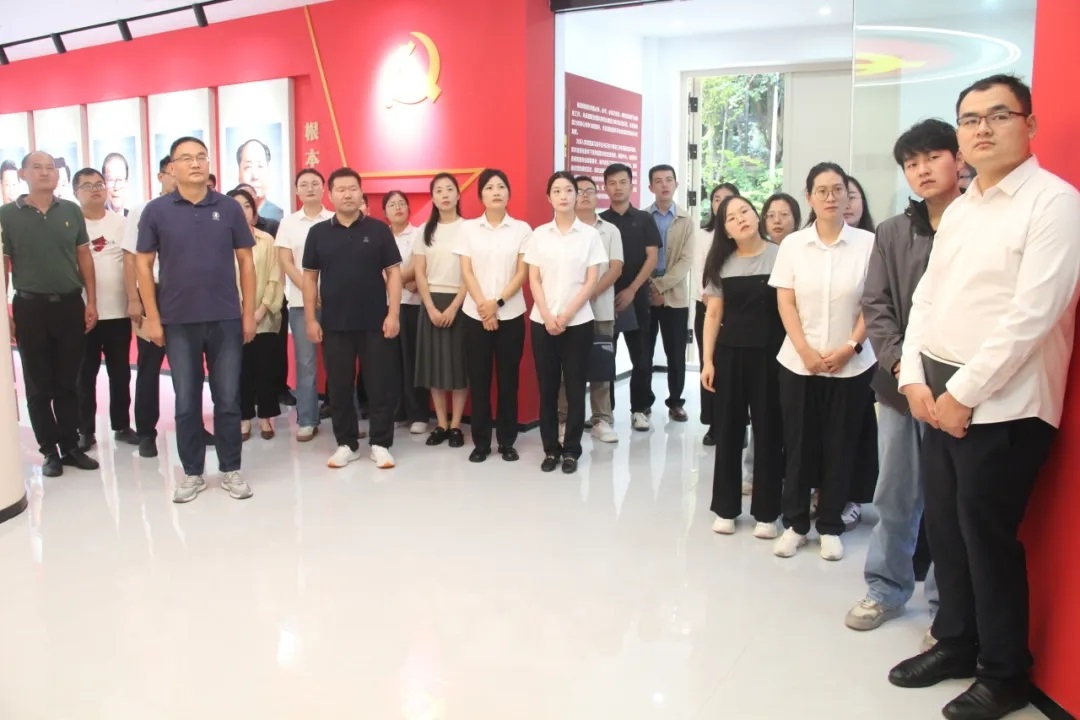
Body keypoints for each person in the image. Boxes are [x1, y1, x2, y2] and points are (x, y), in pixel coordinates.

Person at [888, 74, 1080, 720]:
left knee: (986, 536)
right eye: (970, 119)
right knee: (944, 528)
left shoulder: (1054, 203)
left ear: (1030, 124)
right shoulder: (965, 205)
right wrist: (913, 377)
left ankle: (1004, 673)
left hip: (1007, 403)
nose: (983, 129)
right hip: (937, 390)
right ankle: (956, 641)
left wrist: (964, 393)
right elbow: (927, 297)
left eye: (998, 115)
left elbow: (1034, 315)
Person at [846, 119, 960, 635]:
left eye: (932, 157)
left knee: (949, 503)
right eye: (912, 163)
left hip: (959, 391)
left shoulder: (977, 225)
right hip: (898, 389)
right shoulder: (893, 231)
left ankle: (946, 606)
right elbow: (877, 304)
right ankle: (885, 589)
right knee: (895, 494)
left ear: (957, 159)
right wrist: (899, 367)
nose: (922, 170)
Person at [136, 136, 256, 503]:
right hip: (178, 321)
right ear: (171, 168)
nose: (195, 163)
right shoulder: (156, 210)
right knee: (186, 401)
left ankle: (231, 469)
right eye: (186, 158)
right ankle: (192, 473)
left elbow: (246, 261)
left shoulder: (229, 208)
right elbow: (143, 263)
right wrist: (152, 317)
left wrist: (248, 314)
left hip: (225, 318)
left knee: (228, 399)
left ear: (209, 163)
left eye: (201, 157)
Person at [769, 162, 876, 562]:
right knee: (798, 444)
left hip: (851, 365)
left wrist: (850, 346)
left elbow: (874, 302)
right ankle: (796, 524)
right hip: (799, 364)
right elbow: (785, 300)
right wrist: (805, 350)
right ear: (809, 197)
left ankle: (830, 525)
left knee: (841, 445)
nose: (831, 197)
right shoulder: (794, 244)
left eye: (838, 189)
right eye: (822, 191)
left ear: (849, 195)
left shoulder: (868, 243)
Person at [1, 151, 100, 478]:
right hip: (30, 308)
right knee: (39, 385)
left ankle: (70, 446)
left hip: (70, 305)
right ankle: (49, 451)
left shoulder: (70, 210)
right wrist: (5, 313)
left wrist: (91, 301)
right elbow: (3, 266)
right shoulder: (7, 215)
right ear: (24, 174)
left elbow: (84, 257)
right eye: (37, 168)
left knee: (69, 381)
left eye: (50, 168)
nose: (45, 173)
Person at [303, 168, 402, 470]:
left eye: (352, 189)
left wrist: (393, 314)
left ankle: (381, 444)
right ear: (330, 195)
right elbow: (310, 278)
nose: (347, 194)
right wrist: (311, 319)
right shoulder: (318, 233)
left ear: (361, 193)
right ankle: (346, 443)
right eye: (341, 189)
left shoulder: (379, 230)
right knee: (339, 388)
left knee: (379, 385)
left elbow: (394, 273)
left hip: (375, 322)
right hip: (335, 324)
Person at [699, 196, 784, 539]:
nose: (741, 219)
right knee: (729, 432)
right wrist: (707, 360)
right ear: (726, 230)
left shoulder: (781, 255)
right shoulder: (720, 262)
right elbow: (713, 315)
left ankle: (767, 513)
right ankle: (726, 509)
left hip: (771, 356)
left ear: (756, 214)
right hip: (730, 355)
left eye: (744, 211)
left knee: (769, 433)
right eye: (731, 218)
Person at [122, 155, 215, 457]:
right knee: (149, 366)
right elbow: (131, 258)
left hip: (189, 295)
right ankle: (146, 433)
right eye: (172, 172)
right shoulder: (145, 210)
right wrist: (134, 299)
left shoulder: (199, 209)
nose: (178, 177)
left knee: (190, 368)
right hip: (153, 292)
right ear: (161, 175)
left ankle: (195, 428)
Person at [525, 171, 606, 474]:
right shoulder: (539, 234)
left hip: (578, 322)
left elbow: (591, 280)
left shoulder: (589, 235)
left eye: (569, 190)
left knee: (574, 387)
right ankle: (550, 449)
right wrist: (547, 315)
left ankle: (571, 449)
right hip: (542, 322)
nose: (563, 196)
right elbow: (534, 278)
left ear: (577, 195)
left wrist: (567, 314)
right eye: (557, 191)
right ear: (549, 197)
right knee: (547, 388)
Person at [456, 169, 531, 463]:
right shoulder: (468, 229)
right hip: (474, 316)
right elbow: (466, 271)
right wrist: (483, 307)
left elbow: (522, 273)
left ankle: (507, 441)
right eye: (489, 187)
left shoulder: (522, 229)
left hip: (510, 315)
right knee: (479, 381)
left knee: (509, 381)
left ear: (508, 193)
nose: (496, 191)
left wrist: (496, 304)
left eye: (501, 186)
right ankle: (481, 442)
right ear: (481, 196)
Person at [72, 167, 137, 452]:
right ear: (76, 192)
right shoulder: (71, 223)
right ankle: (85, 431)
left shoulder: (121, 223)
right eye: (87, 186)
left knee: (120, 373)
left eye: (99, 184)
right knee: (84, 375)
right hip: (84, 313)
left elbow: (132, 263)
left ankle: (121, 425)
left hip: (118, 312)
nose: (96, 189)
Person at [557, 175, 623, 444]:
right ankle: (564, 418)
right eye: (579, 190)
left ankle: (601, 419)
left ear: (598, 196)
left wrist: (588, 294)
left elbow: (615, 268)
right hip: (567, 312)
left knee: (600, 367)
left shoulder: (610, 230)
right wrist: (576, 300)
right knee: (566, 368)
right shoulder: (562, 230)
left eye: (590, 191)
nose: (584, 195)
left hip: (600, 309)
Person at [275, 168, 334, 441]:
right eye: (304, 184)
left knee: (340, 362)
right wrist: (309, 290)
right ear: (297, 190)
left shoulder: (334, 219)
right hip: (300, 303)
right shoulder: (288, 223)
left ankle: (346, 416)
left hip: (335, 301)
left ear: (323, 188)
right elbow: (286, 262)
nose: (309, 188)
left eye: (315, 183)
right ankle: (308, 419)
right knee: (306, 363)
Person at [601, 163, 660, 432]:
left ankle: (639, 409)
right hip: (606, 298)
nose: (618, 188)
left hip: (636, 298)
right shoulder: (600, 222)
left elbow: (652, 257)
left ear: (631, 185)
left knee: (641, 357)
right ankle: (605, 413)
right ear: (605, 187)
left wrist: (633, 289)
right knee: (605, 357)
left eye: (622, 182)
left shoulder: (644, 219)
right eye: (612, 183)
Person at [413, 173, 468, 448]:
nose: (445, 195)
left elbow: (471, 274)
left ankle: (456, 425)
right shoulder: (424, 231)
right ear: (432, 198)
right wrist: (431, 308)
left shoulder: (469, 229)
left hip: (461, 302)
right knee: (433, 367)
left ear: (458, 194)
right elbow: (419, 273)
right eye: (439, 190)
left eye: (449, 189)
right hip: (431, 303)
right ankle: (441, 424)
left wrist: (455, 307)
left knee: (459, 367)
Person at [229, 187, 282, 441]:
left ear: (254, 211)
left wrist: (261, 309)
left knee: (265, 368)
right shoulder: (221, 242)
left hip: (265, 316)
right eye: (236, 206)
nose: (242, 211)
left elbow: (275, 276)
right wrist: (241, 313)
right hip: (233, 318)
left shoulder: (267, 240)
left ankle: (266, 417)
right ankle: (244, 418)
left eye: (247, 206)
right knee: (240, 370)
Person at [644, 164, 694, 422]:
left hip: (674, 296)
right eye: (658, 181)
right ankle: (643, 401)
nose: (664, 185)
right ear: (650, 187)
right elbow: (637, 256)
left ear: (676, 184)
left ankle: (675, 402)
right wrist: (650, 286)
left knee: (675, 353)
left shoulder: (686, 220)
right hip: (645, 293)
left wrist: (661, 286)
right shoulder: (642, 217)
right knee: (644, 351)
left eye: (668, 180)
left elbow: (686, 261)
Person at [692, 183, 739, 448]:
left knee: (734, 367)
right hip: (708, 306)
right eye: (716, 198)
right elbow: (700, 268)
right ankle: (713, 422)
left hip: (737, 308)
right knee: (709, 362)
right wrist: (708, 297)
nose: (721, 203)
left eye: (727, 198)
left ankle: (738, 422)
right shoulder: (703, 235)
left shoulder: (741, 232)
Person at [383, 190, 429, 435]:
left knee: (414, 361)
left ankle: (419, 414)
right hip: (387, 306)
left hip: (412, 304)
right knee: (390, 362)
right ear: (385, 212)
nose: (398, 207)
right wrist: (401, 281)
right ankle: (397, 412)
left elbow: (419, 266)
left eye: (402, 203)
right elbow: (377, 269)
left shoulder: (419, 233)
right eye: (392, 204)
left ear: (409, 208)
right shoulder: (381, 236)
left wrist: (396, 279)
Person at [236, 139, 283, 220]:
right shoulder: (228, 214)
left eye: (260, 166)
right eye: (248, 167)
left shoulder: (279, 216)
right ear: (239, 173)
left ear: (269, 171)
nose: (255, 176)